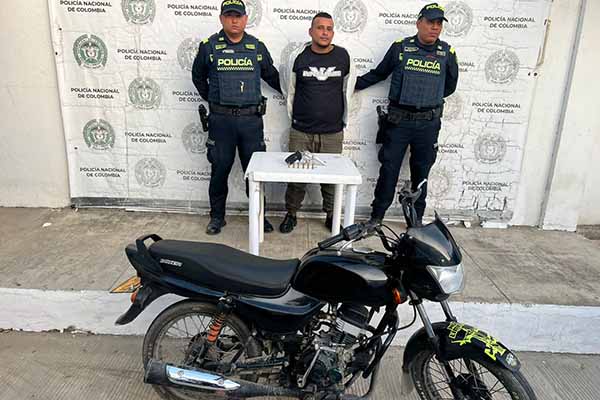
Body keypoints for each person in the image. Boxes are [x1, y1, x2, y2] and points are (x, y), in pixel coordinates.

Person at [354, 3, 458, 226]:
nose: (435, 27)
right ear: (419, 23)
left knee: (421, 174)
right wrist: (349, 85)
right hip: (398, 122)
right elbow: (379, 74)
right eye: (430, 22)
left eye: (439, 23)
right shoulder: (400, 48)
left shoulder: (447, 53)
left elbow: (449, 87)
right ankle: (377, 217)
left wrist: (426, 101)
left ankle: (415, 221)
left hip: (428, 125)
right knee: (389, 171)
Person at [192, 0, 282, 235]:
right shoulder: (209, 47)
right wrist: (214, 100)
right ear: (221, 18)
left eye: (238, 16)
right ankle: (217, 217)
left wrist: (298, 92)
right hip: (221, 122)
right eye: (229, 15)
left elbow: (273, 77)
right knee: (219, 170)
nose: (234, 20)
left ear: (245, 19)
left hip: (251, 122)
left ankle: (259, 217)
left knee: (254, 172)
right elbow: (198, 76)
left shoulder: (256, 47)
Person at [279, 12, 356, 233]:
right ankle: (291, 214)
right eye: (320, 28)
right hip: (301, 130)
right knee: (296, 178)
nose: (324, 32)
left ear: (333, 32)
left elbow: (348, 87)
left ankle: (331, 215)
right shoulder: (298, 57)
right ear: (311, 31)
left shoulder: (343, 56)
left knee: (332, 180)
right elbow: (288, 88)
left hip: (332, 132)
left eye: (329, 29)